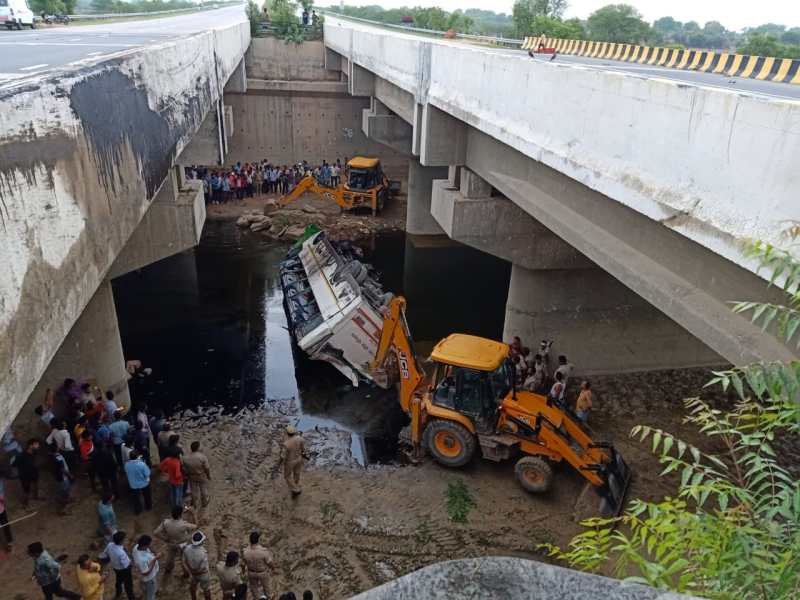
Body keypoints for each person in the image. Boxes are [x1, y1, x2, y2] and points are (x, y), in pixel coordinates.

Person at [155, 505, 198, 574]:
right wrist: (193, 513)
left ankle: (168, 568)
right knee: (182, 559)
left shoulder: (166, 522)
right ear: (180, 515)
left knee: (170, 556)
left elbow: (156, 532)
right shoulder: (184, 525)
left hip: (171, 543)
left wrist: (165, 539)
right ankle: (185, 572)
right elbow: (196, 526)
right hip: (182, 544)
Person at [100, 530, 135, 600]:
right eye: (125, 539)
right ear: (121, 541)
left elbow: (104, 554)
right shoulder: (121, 553)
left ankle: (118, 594)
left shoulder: (110, 545)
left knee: (118, 581)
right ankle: (131, 598)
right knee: (128, 585)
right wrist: (132, 562)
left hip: (116, 568)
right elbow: (126, 565)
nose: (126, 540)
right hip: (124, 570)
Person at [184, 441, 212, 522]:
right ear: (197, 448)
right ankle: (204, 502)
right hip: (201, 475)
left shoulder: (186, 458)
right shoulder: (202, 457)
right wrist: (208, 476)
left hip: (192, 476)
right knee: (203, 489)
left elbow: (185, 468)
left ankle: (195, 504)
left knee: (194, 490)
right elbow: (207, 468)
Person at [243, 530, 274, 600]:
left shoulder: (245, 551)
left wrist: (243, 571)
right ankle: (269, 598)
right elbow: (269, 562)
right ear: (258, 540)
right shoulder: (263, 551)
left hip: (251, 572)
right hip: (262, 572)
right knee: (267, 588)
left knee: (254, 590)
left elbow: (243, 563)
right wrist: (273, 568)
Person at [183, 531, 213, 600]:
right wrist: (196, 572)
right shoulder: (203, 553)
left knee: (192, 587)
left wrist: (191, 571)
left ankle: (193, 598)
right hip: (203, 575)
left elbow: (184, 561)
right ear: (201, 542)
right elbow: (202, 568)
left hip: (193, 573)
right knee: (207, 590)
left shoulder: (187, 548)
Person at [132, 534, 160, 600]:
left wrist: (153, 552)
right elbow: (145, 573)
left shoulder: (136, 547)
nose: (151, 545)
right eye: (149, 544)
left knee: (146, 589)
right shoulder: (141, 559)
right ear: (145, 546)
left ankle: (149, 591)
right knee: (150, 595)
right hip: (149, 579)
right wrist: (155, 559)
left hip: (145, 577)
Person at [282, 425, 306, 497]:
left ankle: (295, 489)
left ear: (287, 433)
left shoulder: (286, 444)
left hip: (290, 461)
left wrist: (280, 462)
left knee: (287, 476)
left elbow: (283, 456)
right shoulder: (300, 439)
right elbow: (303, 449)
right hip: (299, 459)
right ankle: (296, 483)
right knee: (297, 473)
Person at [16, 438, 41, 507]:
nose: (38, 446)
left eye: (38, 444)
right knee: (26, 489)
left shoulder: (34, 452)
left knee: (35, 485)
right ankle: (25, 504)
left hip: (33, 472)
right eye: (36, 444)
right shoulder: (22, 455)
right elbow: (15, 464)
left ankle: (36, 497)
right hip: (25, 475)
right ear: (30, 446)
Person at [51, 446, 74, 516]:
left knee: (65, 491)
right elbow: (62, 469)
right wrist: (70, 475)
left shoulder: (53, 456)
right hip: (63, 478)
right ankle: (62, 510)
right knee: (64, 494)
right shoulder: (58, 458)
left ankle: (65, 501)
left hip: (59, 478)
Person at [0, 476, 12, 552]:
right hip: (1, 509)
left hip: (1, 510)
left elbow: (2, 497)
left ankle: (8, 543)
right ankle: (7, 543)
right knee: (5, 527)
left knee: (5, 526)